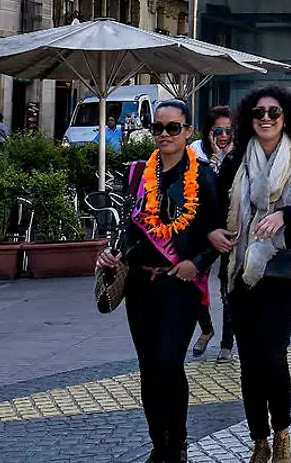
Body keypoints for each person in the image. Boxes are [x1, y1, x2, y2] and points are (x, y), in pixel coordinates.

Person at [97, 99, 223, 463]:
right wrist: (111, 254)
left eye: (173, 128)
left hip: (179, 286)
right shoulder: (137, 173)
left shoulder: (203, 177)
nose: (164, 134)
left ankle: (178, 442)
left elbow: (216, 235)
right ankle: (159, 445)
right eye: (158, 127)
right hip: (140, 285)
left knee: (169, 362)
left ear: (188, 132)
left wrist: (196, 263)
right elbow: (125, 228)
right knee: (149, 367)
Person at [214, 86, 291, 463]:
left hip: (283, 272)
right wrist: (216, 232)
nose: (265, 118)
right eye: (259, 112)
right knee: (249, 360)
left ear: (286, 117)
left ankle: (282, 434)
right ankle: (258, 440)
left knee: (274, 356)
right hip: (240, 273)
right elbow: (213, 209)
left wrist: (285, 215)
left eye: (273, 113)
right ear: (249, 117)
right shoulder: (235, 161)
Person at [192, 106, 237, 361]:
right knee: (194, 283)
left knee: (227, 288)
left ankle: (227, 343)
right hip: (203, 231)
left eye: (228, 130)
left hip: (231, 230)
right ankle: (206, 330)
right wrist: (214, 160)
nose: (223, 135)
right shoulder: (196, 154)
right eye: (217, 130)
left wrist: (224, 159)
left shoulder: (241, 155)